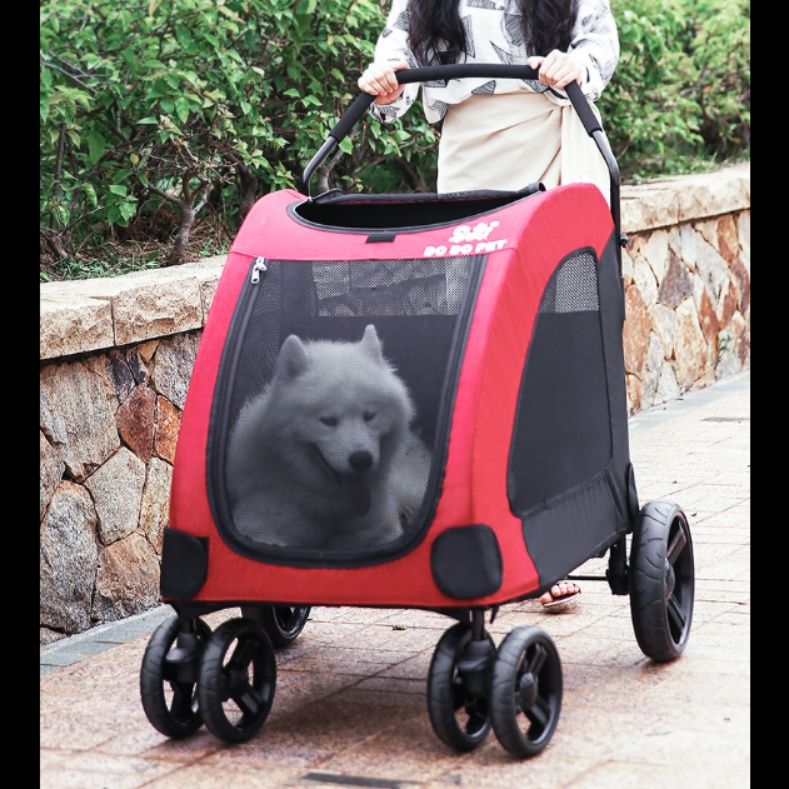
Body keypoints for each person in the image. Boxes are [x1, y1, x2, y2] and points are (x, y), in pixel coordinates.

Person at [359, 0, 620, 607]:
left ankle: (547, 537)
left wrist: (575, 65)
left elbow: (598, 41)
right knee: (475, 345)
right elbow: (399, 45)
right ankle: (476, 520)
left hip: (552, 140)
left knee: (552, 342)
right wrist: (386, 81)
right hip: (469, 153)